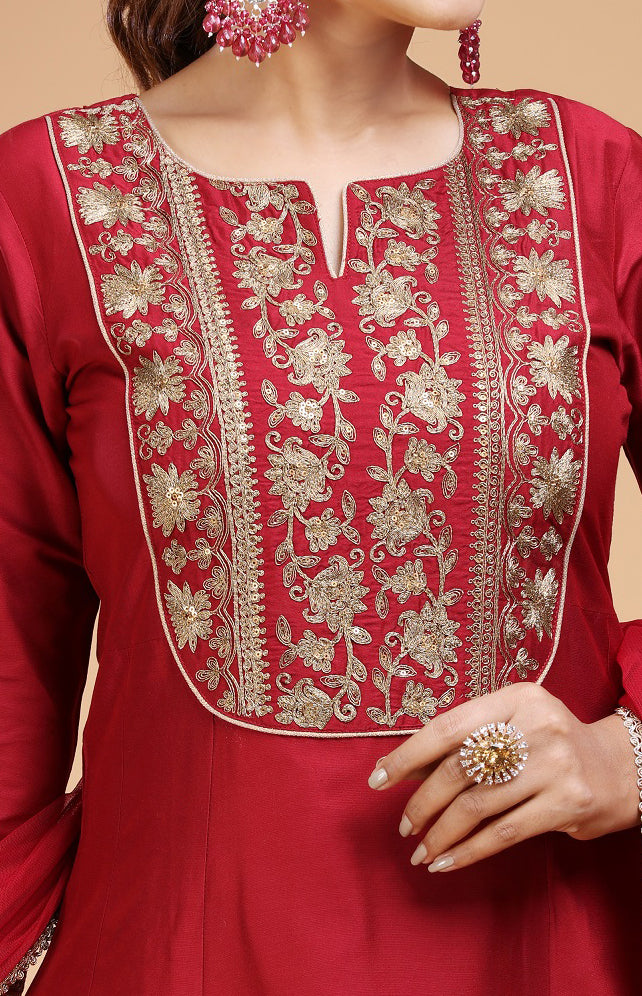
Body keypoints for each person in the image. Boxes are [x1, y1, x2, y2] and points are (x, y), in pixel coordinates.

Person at [1, 1, 641, 993]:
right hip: (173, 952)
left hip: (546, 947)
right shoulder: (47, 196)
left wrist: (630, 757)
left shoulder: (593, 178)